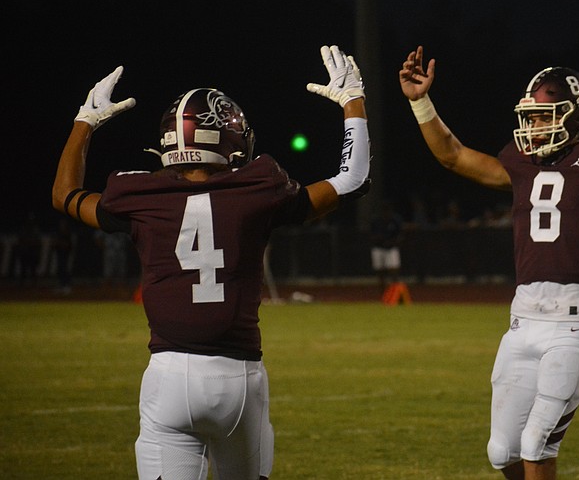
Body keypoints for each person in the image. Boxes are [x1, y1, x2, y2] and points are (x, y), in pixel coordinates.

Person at [51, 45, 370, 480]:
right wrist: (353, 101)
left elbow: (64, 194)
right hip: (238, 379)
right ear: (233, 141)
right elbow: (352, 180)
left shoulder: (138, 194)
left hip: (168, 377)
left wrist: (85, 122)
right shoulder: (259, 187)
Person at [399, 41, 579, 480]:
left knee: (537, 444)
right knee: (503, 452)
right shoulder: (520, 165)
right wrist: (421, 102)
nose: (534, 125)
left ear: (576, 117)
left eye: (543, 115)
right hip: (522, 321)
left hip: (572, 325)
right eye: (530, 116)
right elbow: (453, 155)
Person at [370, 200, 405, 294]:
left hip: (391, 248)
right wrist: (379, 239)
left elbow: (400, 235)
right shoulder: (376, 221)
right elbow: (371, 236)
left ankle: (395, 292)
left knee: (394, 270)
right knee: (380, 271)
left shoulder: (395, 220)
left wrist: (392, 242)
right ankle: (383, 293)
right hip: (379, 248)